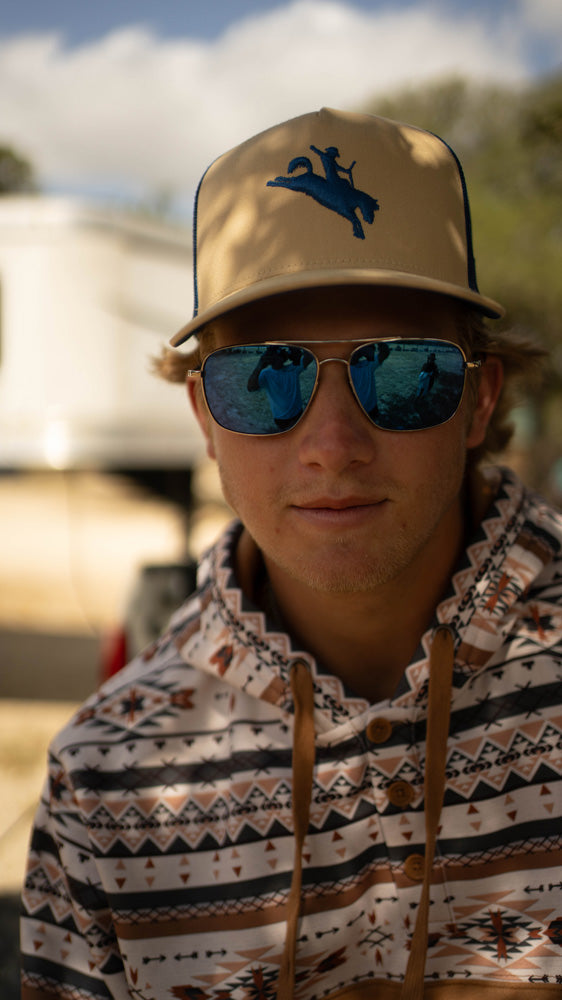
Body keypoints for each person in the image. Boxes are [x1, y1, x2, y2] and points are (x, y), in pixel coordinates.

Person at [21, 108, 561, 1000]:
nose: (332, 444)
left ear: (475, 400)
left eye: (402, 371)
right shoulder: (104, 780)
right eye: (265, 378)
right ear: (204, 416)